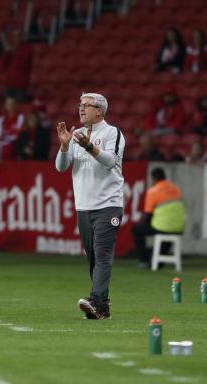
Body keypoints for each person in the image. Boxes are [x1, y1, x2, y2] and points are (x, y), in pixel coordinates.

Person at [55, 93, 125, 320]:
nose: (82, 109)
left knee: (103, 256)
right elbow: (61, 168)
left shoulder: (112, 132)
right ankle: (102, 307)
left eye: (87, 105)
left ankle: (95, 299)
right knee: (93, 259)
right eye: (80, 105)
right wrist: (65, 147)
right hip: (84, 206)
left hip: (108, 204)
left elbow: (110, 161)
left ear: (100, 111)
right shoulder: (76, 135)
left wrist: (89, 148)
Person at [132, 167, 186, 269]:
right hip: (179, 228)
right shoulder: (176, 189)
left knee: (137, 229)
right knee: (166, 228)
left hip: (162, 227)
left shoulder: (153, 191)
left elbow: (148, 216)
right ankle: (158, 260)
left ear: (155, 178)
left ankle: (144, 260)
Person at [0, 29, 33, 102]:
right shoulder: (11, 48)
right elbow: (3, 64)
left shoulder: (27, 49)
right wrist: (7, 52)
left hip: (21, 83)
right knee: (8, 104)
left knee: (20, 104)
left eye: (19, 36)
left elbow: (24, 64)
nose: (17, 38)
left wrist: (13, 51)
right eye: (15, 36)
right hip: (9, 82)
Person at [0, 96, 25, 161]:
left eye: (12, 104)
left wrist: (6, 134)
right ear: (5, 105)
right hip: (3, 143)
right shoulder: (2, 118)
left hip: (15, 143)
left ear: (16, 105)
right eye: (8, 104)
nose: (10, 106)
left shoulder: (20, 117)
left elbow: (18, 133)